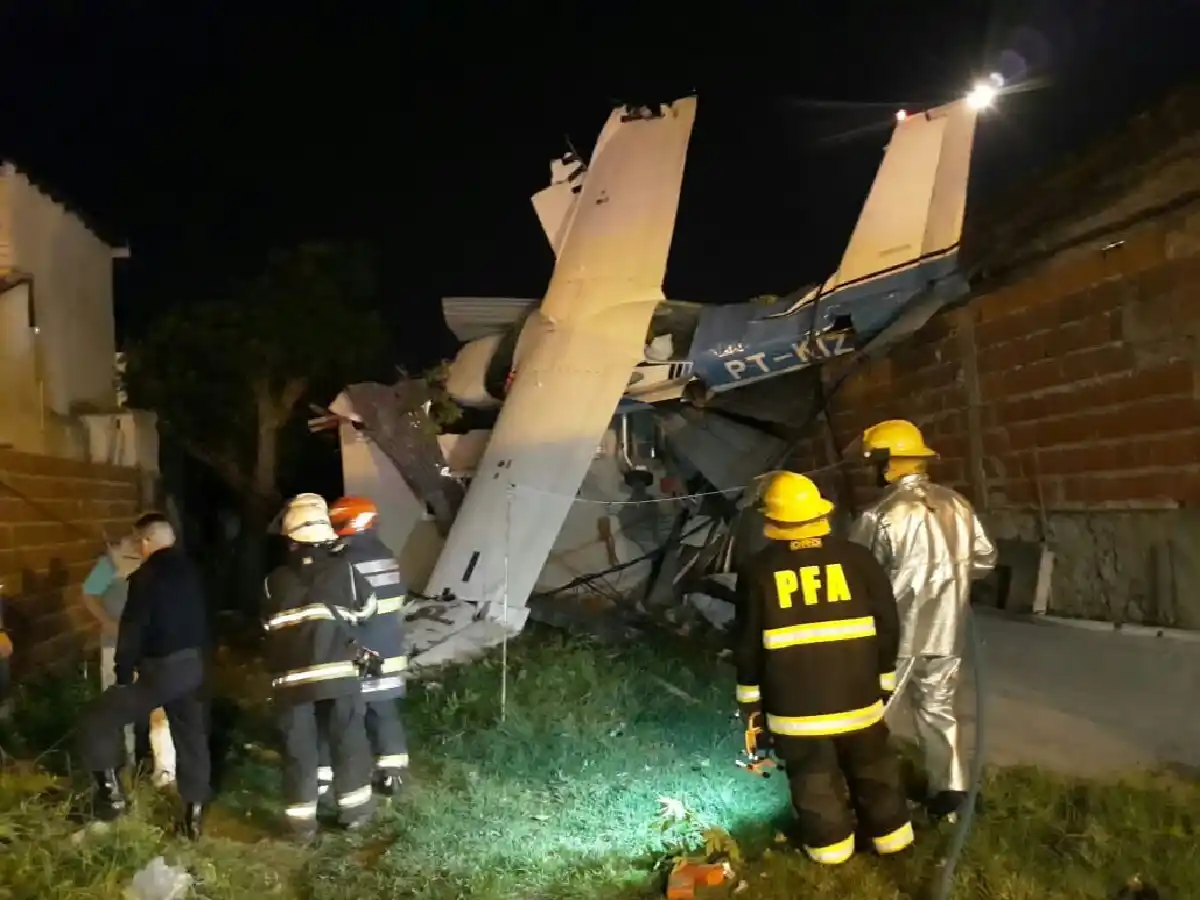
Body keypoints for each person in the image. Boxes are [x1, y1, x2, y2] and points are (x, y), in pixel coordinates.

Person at [734, 471, 913, 866]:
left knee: (814, 779)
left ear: (772, 520)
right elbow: (888, 622)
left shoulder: (756, 572)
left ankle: (830, 849)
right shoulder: (858, 559)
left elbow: (747, 644)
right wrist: (883, 678)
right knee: (873, 766)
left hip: (795, 709)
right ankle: (893, 838)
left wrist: (750, 701)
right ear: (820, 514)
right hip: (859, 696)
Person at [848, 419, 998, 821]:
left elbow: (852, 575)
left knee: (868, 713)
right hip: (946, 633)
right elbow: (985, 559)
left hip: (893, 636)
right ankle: (951, 796)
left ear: (885, 464)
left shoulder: (878, 515)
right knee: (938, 710)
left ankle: (863, 796)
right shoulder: (958, 504)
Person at [79, 513, 211, 838]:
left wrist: (123, 674)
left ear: (147, 541)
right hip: (193, 667)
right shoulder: (193, 571)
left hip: (160, 669)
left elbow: (133, 630)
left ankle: (111, 798)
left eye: (140, 541)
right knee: (192, 738)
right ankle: (192, 819)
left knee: (98, 717)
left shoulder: (145, 577)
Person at [263, 493, 377, 840]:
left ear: (291, 537)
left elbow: (267, 626)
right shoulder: (345, 571)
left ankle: (301, 825)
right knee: (348, 737)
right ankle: (354, 811)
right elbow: (367, 610)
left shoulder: (273, 581)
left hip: (290, 678)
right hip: (338, 672)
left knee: (299, 746)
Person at [325, 495, 410, 796]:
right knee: (384, 712)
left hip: (362, 651)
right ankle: (393, 773)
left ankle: (350, 777)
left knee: (351, 716)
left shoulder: (345, 560)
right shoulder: (384, 553)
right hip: (389, 647)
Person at [80, 533, 177, 787]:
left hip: (148, 648)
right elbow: (89, 594)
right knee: (117, 705)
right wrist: (107, 622)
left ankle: (163, 771)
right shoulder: (110, 563)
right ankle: (125, 764)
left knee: (158, 707)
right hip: (115, 645)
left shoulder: (155, 566)